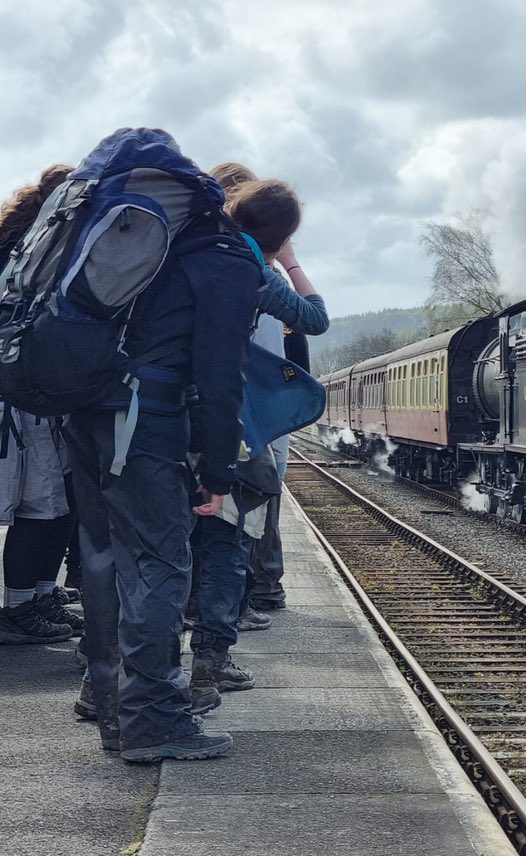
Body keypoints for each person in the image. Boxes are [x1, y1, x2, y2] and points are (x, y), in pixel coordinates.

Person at [66, 167, 263, 761]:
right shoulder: (221, 258)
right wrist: (219, 467)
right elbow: (221, 377)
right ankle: (153, 721)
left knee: (103, 562)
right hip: (143, 421)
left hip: (86, 410)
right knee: (160, 564)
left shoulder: (146, 243)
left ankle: (113, 714)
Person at [188, 177, 328, 700]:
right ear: (281, 235)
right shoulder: (251, 271)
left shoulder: (182, 253)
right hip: (228, 421)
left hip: (159, 418)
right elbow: (315, 319)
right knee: (229, 538)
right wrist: (288, 262)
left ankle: (105, 678)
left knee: (155, 547)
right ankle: (209, 665)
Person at [0, 164, 85, 645]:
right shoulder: (31, 250)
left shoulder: (29, 242)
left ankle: (37, 594)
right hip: (27, 394)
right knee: (41, 504)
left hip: (39, 392)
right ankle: (18, 606)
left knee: (55, 502)